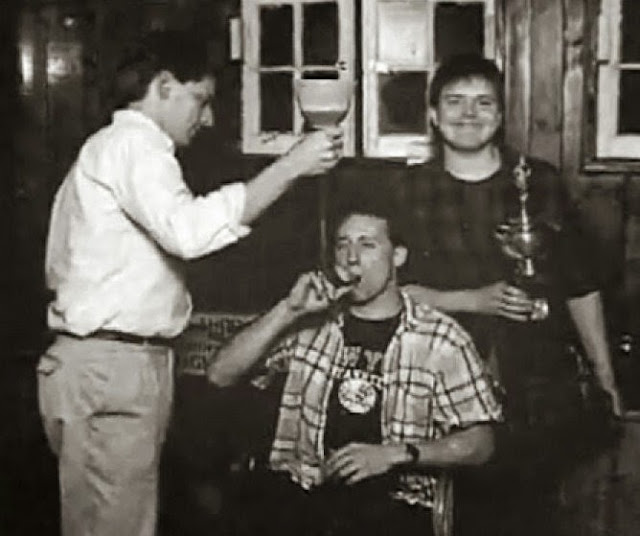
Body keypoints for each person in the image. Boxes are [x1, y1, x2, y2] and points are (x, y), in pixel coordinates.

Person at [36, 30, 343, 536]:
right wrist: (292, 166)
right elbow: (189, 231)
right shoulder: (134, 145)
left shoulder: (112, 150)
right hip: (113, 369)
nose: (209, 118)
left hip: (107, 366)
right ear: (164, 86)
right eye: (200, 99)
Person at [396, 53, 621, 532]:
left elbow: (580, 284)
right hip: (442, 384)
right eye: (454, 101)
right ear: (433, 115)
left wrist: (605, 379)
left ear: (500, 116)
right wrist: (470, 300)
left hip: (538, 384)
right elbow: (385, 292)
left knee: (536, 514)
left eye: (483, 102)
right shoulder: (409, 189)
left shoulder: (540, 182)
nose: (468, 114)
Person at [207, 197, 503, 536]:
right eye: (343, 244)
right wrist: (288, 310)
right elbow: (220, 374)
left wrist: (394, 455)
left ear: (398, 256)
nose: (351, 258)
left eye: (367, 245)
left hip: (393, 506)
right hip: (305, 498)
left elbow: (482, 442)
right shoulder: (310, 324)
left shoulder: (440, 338)